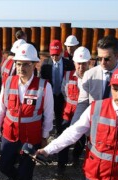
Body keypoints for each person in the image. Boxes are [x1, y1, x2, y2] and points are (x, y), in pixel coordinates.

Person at [0, 43, 54, 180]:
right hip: (10, 135)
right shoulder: (9, 82)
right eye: (18, 64)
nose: (21, 68)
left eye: (26, 64)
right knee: (3, 166)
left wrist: (45, 136)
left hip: (30, 138)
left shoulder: (44, 86)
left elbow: (49, 114)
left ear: (35, 64)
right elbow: (1, 109)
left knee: (27, 174)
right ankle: (14, 176)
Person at [40, 40, 75, 172]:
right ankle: (43, 150)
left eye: (57, 54)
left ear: (61, 52)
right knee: (45, 124)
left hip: (63, 98)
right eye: (52, 55)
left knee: (62, 128)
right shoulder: (45, 64)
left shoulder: (69, 64)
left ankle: (62, 161)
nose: (55, 57)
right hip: (49, 97)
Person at [72, 35, 118, 124]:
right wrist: (75, 124)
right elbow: (83, 103)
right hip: (94, 124)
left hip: (117, 125)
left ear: (117, 55)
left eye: (107, 59)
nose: (102, 62)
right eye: (99, 58)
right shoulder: (89, 75)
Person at [58, 46, 91, 171]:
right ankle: (61, 165)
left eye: (84, 64)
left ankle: (76, 157)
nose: (81, 67)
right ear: (74, 62)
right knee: (64, 139)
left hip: (84, 116)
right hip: (68, 114)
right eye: (79, 64)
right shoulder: (67, 75)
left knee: (80, 140)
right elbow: (63, 91)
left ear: (89, 63)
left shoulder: (93, 77)